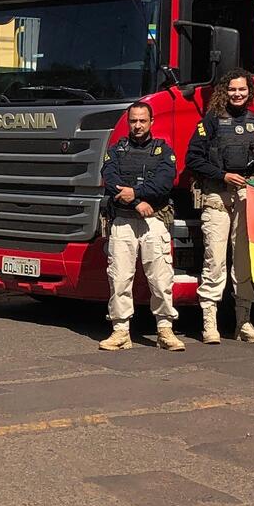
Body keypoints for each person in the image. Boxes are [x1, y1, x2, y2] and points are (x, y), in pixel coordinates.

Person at [184, 70, 254, 343]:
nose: (237, 94)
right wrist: (222, 175)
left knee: (244, 263)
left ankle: (243, 323)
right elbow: (193, 159)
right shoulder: (210, 121)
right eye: (233, 89)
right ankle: (209, 324)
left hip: (247, 198)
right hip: (217, 199)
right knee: (214, 262)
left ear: (250, 92)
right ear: (225, 91)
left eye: (242, 90)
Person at [98, 100, 185, 352]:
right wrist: (137, 201)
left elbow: (164, 185)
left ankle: (165, 329)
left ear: (151, 122)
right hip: (124, 220)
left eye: (142, 121)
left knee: (160, 278)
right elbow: (110, 180)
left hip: (154, 221)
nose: (137, 125)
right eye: (133, 121)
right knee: (120, 278)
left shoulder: (163, 150)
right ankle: (120, 331)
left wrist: (134, 192)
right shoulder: (116, 150)